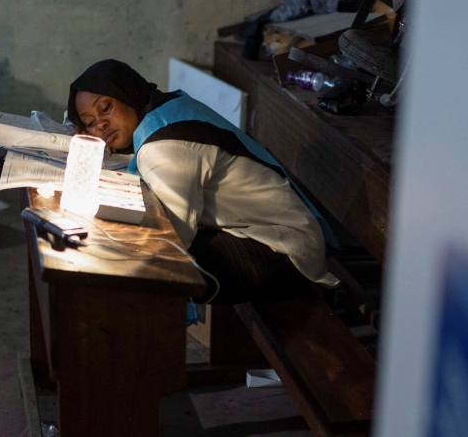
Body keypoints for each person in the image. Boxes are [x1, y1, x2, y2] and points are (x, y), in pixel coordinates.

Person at [67, 59, 338, 304]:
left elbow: (173, 237)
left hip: (285, 249)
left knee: (143, 267)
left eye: (105, 108)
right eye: (89, 122)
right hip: (257, 229)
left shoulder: (165, 146)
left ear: (128, 92)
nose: (100, 125)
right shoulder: (162, 110)